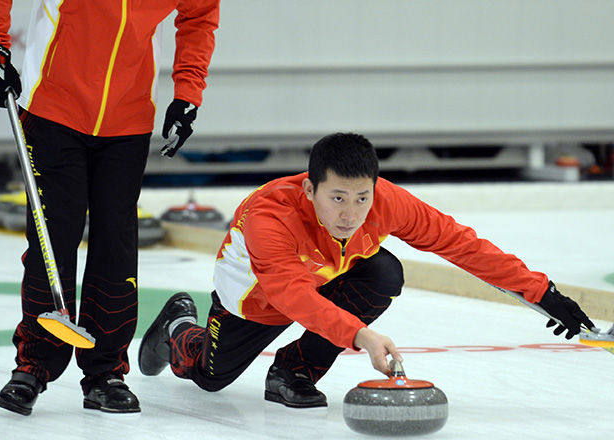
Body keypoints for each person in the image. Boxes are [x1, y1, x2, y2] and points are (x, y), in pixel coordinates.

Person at [138, 132, 596, 408]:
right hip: (256, 300)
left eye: (362, 198)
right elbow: (291, 296)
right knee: (209, 378)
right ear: (310, 189)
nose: (351, 213)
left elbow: (459, 243)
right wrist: (361, 336)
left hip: (326, 277)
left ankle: (293, 371)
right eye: (337, 197)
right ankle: (179, 325)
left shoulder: (386, 202)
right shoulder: (269, 217)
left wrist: (541, 292)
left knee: (383, 273)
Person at [0, 0, 220, 415]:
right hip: (52, 105)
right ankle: (33, 366)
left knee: (116, 246)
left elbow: (200, 15)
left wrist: (188, 93)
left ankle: (106, 373)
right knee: (53, 239)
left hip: (128, 116)